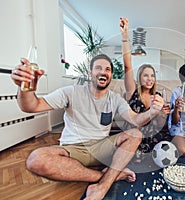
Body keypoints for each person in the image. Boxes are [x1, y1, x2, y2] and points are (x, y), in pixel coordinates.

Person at [11, 54, 164, 199]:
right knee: (35, 160)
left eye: (107, 69)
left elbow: (136, 120)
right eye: (98, 68)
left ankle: (102, 187)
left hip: (102, 148)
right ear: (90, 72)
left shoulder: (115, 99)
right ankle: (114, 175)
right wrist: (26, 89)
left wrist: (152, 112)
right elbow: (32, 106)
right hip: (73, 149)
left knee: (135, 134)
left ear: (110, 75)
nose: (103, 72)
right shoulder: (71, 92)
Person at [120, 17, 171, 157]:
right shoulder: (132, 92)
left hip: (154, 134)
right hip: (136, 133)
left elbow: (161, 123)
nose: (150, 79)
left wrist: (164, 114)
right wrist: (125, 37)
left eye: (152, 76)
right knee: (135, 158)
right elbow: (127, 66)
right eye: (146, 76)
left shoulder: (158, 96)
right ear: (140, 78)